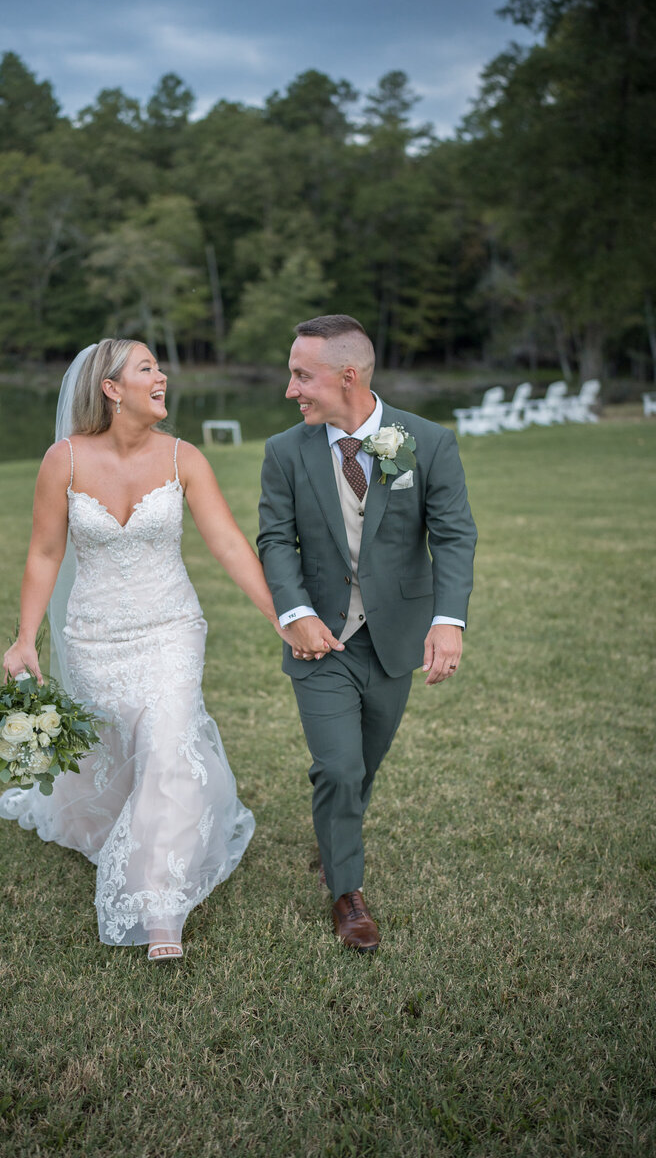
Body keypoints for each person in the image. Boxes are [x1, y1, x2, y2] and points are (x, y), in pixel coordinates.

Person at [0, 338, 284, 961]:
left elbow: (231, 546)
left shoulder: (185, 458)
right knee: (120, 749)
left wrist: (281, 616)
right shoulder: (64, 460)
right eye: (147, 368)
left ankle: (161, 914)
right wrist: (25, 636)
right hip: (95, 636)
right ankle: (103, 822)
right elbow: (45, 553)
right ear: (111, 388)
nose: (162, 377)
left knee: (167, 748)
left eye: (160, 367)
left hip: (171, 628)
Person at [257, 315, 477, 953]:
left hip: (394, 638)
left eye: (303, 375)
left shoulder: (426, 442)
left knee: (361, 767)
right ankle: (347, 894)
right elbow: (276, 538)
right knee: (340, 765)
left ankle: (333, 832)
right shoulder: (285, 451)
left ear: (346, 376)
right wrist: (293, 610)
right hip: (319, 638)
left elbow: (454, 535)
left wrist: (447, 620)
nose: (291, 388)